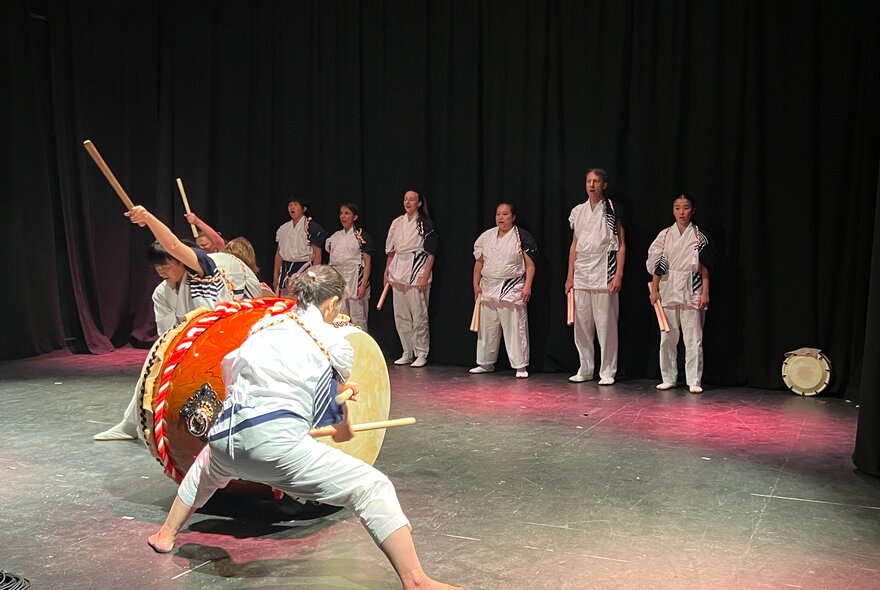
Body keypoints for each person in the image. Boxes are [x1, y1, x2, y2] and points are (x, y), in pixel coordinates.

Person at [146, 266, 460, 590]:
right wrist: (344, 413)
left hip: (225, 436)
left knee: (208, 467)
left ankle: (165, 534)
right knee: (372, 487)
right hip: (274, 448)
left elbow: (233, 369)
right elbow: (338, 424)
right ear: (332, 303)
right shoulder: (334, 342)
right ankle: (416, 580)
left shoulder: (264, 327)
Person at [95, 205, 234, 440]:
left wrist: (148, 218)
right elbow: (167, 333)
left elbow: (173, 246)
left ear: (182, 261)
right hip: (191, 346)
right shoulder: (161, 293)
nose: (161, 270)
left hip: (224, 341)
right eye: (157, 265)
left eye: (166, 264)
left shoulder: (203, 273)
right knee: (152, 370)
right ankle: (130, 425)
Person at [646, 193, 715, 394]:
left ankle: (694, 380)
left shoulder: (699, 237)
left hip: (691, 289)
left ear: (693, 210)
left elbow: (705, 267)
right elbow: (657, 265)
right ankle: (668, 377)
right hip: (667, 288)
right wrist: (655, 290)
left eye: (685, 208)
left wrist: (705, 292)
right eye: (677, 208)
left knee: (693, 338)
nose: (681, 212)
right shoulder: (665, 235)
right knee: (668, 337)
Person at [564, 168, 626, 385]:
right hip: (582, 271)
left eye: (596, 181)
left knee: (606, 325)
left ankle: (607, 371)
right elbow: (574, 245)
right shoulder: (578, 211)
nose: (591, 185)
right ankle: (585, 368)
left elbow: (621, 245)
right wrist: (570, 276)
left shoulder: (612, 209)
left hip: (604, 270)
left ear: (604, 185)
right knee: (581, 324)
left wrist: (618, 274)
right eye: (588, 181)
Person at [470, 203, 537, 379]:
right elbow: (479, 262)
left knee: (515, 328)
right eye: (498, 214)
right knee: (487, 328)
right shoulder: (487, 236)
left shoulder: (521, 236)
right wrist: (475, 284)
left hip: (511, 287)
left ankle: (520, 365)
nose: (501, 217)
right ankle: (485, 363)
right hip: (488, 286)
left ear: (513, 217)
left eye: (505, 214)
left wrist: (528, 285)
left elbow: (530, 265)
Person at [384, 190, 439, 368]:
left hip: (417, 268)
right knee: (401, 315)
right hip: (398, 269)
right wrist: (387, 271)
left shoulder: (424, 222)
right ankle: (407, 351)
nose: (408, 202)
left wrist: (425, 274)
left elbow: (431, 252)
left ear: (419, 203)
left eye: (412, 199)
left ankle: (421, 353)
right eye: (406, 199)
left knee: (419, 315)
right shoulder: (397, 222)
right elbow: (391, 250)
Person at [326, 202, 374, 330]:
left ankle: (361, 342)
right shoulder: (335, 237)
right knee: (340, 316)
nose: (343, 216)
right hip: (339, 279)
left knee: (358, 317)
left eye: (347, 213)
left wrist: (363, 285)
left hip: (355, 277)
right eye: (341, 213)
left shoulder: (361, 236)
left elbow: (367, 263)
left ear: (355, 217)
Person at [273, 197, 328, 297]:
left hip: (304, 269)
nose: (292, 207)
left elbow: (317, 254)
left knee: (302, 301)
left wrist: (313, 276)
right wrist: (275, 276)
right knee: (285, 301)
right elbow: (278, 254)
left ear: (304, 209)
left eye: (295, 204)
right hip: (285, 271)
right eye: (290, 204)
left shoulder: (311, 227)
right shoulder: (283, 228)